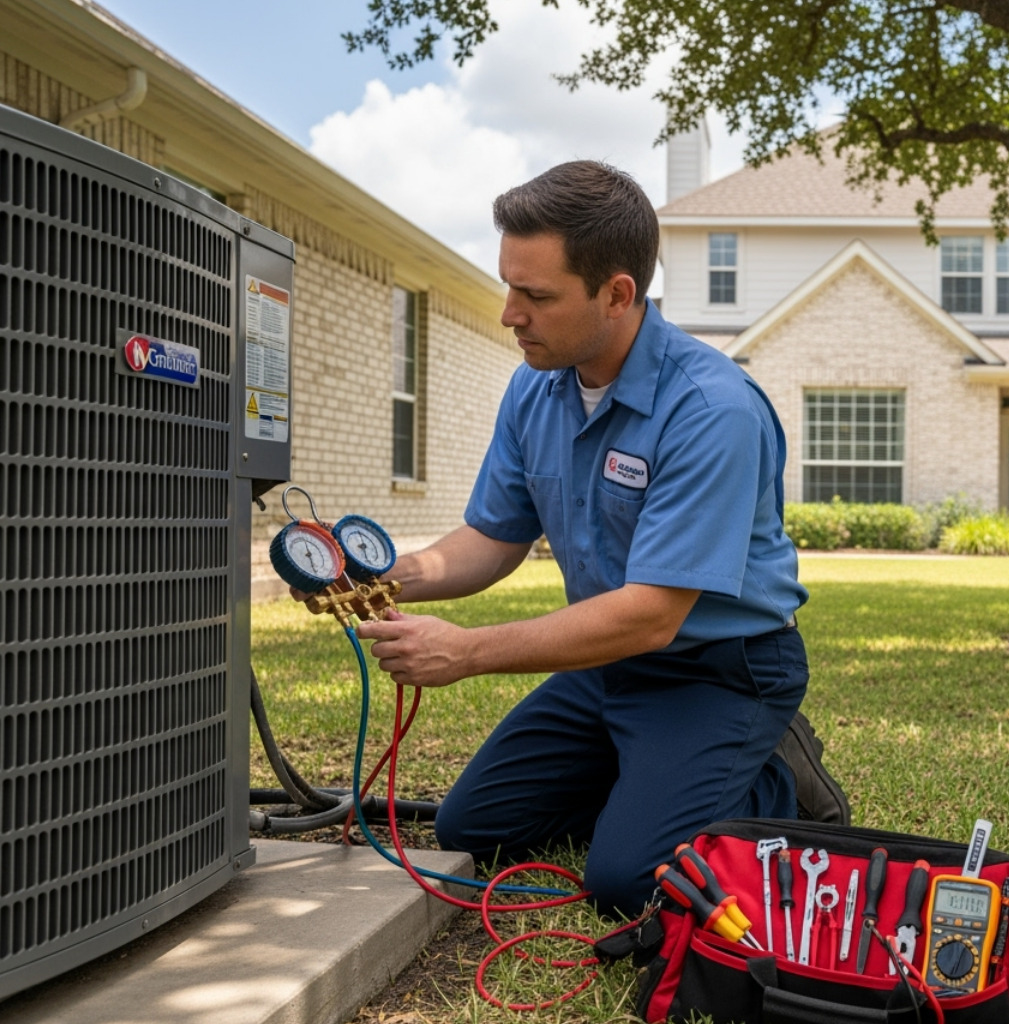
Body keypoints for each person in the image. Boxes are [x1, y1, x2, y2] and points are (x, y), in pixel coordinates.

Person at [353, 160, 849, 917]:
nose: (508, 314)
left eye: (536, 295)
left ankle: (773, 767)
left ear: (617, 294)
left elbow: (652, 614)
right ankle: (650, 777)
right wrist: (383, 574)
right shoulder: (535, 384)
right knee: (473, 827)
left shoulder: (713, 410)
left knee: (626, 882)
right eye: (509, 285)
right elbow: (494, 535)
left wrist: (468, 651)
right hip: (607, 661)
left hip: (718, 668)